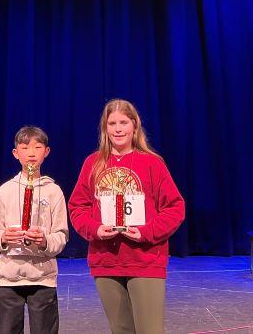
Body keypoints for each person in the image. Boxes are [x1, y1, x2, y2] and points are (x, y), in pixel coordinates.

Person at [68, 99, 185, 334]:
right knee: (120, 329)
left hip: (145, 259)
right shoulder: (93, 163)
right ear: (105, 128)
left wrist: (145, 232)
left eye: (123, 122)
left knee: (149, 330)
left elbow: (175, 208)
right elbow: (77, 207)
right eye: (112, 123)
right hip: (106, 261)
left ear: (134, 126)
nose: (118, 129)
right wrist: (95, 228)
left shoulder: (152, 163)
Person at [0, 126, 68, 334]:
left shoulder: (54, 191)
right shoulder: (5, 190)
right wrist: (4, 238)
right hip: (9, 277)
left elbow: (61, 235)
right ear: (15, 153)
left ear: (46, 152)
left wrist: (44, 241)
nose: (31, 153)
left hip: (43, 278)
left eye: (37, 147)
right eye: (24, 148)